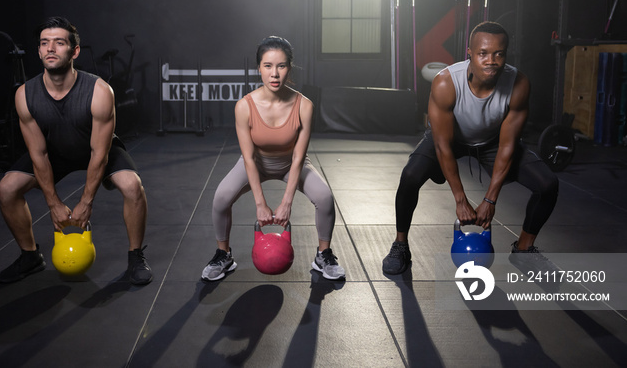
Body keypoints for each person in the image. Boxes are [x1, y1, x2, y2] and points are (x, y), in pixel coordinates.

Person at [382, 21, 559, 275]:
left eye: (499, 54)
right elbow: (442, 146)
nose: (491, 61)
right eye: (483, 53)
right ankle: (400, 244)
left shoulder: (518, 84)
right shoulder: (446, 83)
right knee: (410, 175)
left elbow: (508, 146)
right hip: (451, 138)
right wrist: (460, 199)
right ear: (470, 53)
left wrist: (490, 199)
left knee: (548, 184)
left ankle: (523, 248)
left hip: (493, 141)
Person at [0, 16, 152, 285]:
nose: (50, 49)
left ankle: (136, 255)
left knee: (132, 186)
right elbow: (38, 154)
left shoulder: (100, 91)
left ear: (74, 51)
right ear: (38, 50)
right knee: (7, 188)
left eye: (58, 43)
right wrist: (54, 204)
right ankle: (30, 256)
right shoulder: (25, 94)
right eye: (44, 43)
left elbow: (99, 154)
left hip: (97, 150)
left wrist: (85, 202)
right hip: (55, 152)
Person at [202, 36, 345, 281]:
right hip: (256, 163)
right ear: (259, 68)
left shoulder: (304, 106)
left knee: (325, 197)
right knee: (221, 198)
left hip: (291, 164)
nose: (274, 73)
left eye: (281, 66)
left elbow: (299, 156)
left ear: (290, 67)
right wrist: (261, 203)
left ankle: (324, 254)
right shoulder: (244, 107)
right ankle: (223, 254)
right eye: (268, 66)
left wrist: (286, 202)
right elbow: (248, 158)